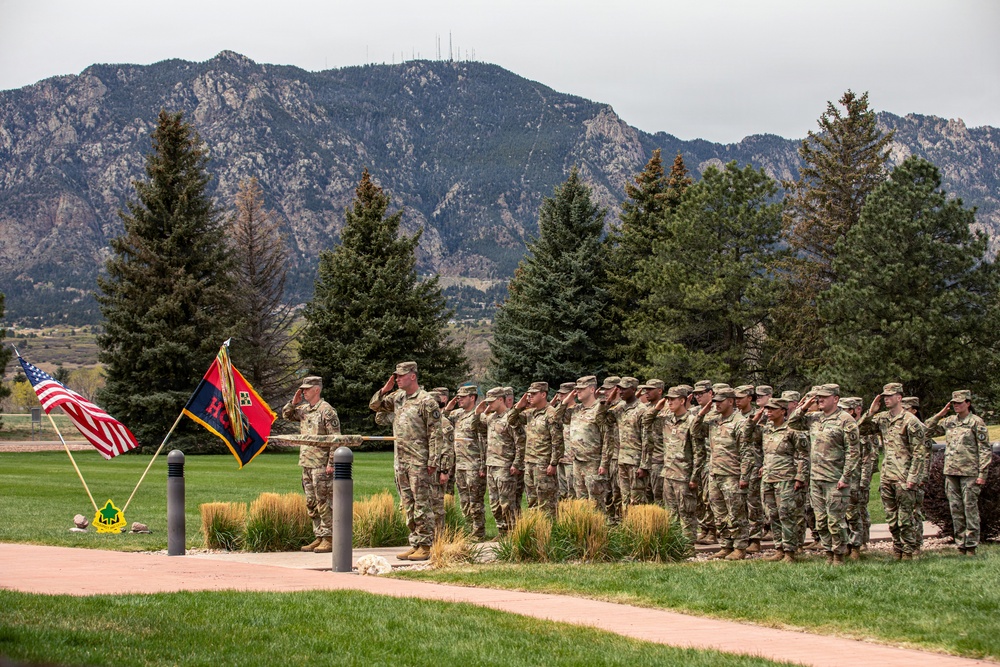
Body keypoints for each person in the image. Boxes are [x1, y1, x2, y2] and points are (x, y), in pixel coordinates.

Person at [369, 361, 445, 561]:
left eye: (401, 376)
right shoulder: (398, 397)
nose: (397, 379)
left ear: (413, 376)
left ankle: (427, 544)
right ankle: (415, 543)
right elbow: (374, 406)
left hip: (419, 460)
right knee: (407, 503)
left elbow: (436, 433)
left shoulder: (426, 401)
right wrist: (384, 389)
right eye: (396, 376)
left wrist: (433, 460)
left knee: (422, 503)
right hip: (400, 460)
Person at [788, 384, 861, 565]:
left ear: (835, 399)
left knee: (835, 521)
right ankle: (828, 553)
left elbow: (853, 452)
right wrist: (804, 407)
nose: (819, 400)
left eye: (824, 397)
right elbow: (792, 422)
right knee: (820, 521)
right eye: (818, 397)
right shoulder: (814, 418)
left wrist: (846, 477)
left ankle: (839, 555)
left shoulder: (846, 420)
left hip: (835, 480)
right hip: (816, 479)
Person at [858, 383, 926, 561]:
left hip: (904, 476)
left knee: (906, 517)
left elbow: (920, 453)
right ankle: (898, 549)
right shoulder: (882, 418)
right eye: (884, 396)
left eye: (890, 396)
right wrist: (871, 412)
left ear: (899, 398)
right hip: (887, 475)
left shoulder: (911, 421)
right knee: (892, 517)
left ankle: (909, 551)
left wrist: (913, 477)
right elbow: (859, 430)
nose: (886, 399)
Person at [925, 390, 992, 556]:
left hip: (970, 472)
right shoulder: (949, 421)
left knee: (970, 508)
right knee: (955, 509)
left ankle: (971, 545)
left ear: (968, 403)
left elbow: (984, 449)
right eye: (954, 403)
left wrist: (982, 473)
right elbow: (926, 429)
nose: (956, 405)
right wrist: (941, 413)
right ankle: (961, 544)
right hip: (951, 472)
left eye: (960, 402)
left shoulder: (976, 422)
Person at [693, 385, 753, 560]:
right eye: (715, 402)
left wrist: (744, 476)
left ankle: (740, 547)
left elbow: (746, 452)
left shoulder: (740, 422)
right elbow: (695, 431)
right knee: (719, 514)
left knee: (736, 513)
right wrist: (702, 412)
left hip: (732, 475)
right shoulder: (713, 421)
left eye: (720, 402)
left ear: (731, 401)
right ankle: (725, 545)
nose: (716, 405)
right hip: (715, 474)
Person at [282, 376, 341, 554]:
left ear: (317, 389)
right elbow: (287, 415)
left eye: (307, 389)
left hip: (321, 464)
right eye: (302, 389)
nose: (303, 391)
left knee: (324, 501)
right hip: (307, 462)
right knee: (311, 502)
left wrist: (332, 462)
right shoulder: (305, 410)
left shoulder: (327, 411)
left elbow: (335, 438)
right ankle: (319, 535)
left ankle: (329, 538)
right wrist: (293, 402)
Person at [754, 397, 808, 562]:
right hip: (769, 478)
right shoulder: (767, 429)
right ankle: (779, 549)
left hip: (786, 478)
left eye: (772, 409)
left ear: (783, 411)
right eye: (767, 409)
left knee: (786, 514)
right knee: (773, 515)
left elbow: (803, 455)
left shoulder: (792, 430)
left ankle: (790, 551)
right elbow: (749, 435)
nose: (768, 412)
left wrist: (800, 476)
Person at [646, 385, 698, 542]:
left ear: (683, 400)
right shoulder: (666, 420)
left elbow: (698, 452)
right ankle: (675, 545)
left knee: (686, 513)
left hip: (684, 475)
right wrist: (657, 407)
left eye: (672, 399)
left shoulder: (691, 421)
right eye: (667, 399)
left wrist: (694, 477)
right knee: (671, 513)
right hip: (668, 473)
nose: (669, 402)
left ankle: (688, 547)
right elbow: (646, 421)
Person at [510, 382, 566, 518]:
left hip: (543, 464)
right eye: (528, 395)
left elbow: (557, 441)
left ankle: (549, 532)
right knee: (532, 501)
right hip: (529, 462)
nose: (529, 397)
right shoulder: (530, 413)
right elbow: (511, 420)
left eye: (533, 394)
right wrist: (519, 406)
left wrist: (553, 463)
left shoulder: (551, 414)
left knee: (546, 502)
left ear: (543, 394)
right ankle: (537, 532)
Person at [479, 386, 525, 535]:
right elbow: (476, 425)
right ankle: (502, 532)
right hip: (491, 465)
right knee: (494, 504)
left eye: (492, 401)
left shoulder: (510, 419)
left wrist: (517, 463)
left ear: (501, 399)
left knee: (507, 504)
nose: (489, 405)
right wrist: (480, 411)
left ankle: (514, 533)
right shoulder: (491, 418)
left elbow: (521, 442)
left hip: (505, 466)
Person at [444, 385, 487, 540]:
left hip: (474, 465)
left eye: (463, 397)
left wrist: (483, 466)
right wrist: (449, 406)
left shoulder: (479, 416)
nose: (459, 399)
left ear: (472, 398)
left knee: (475, 501)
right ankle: (470, 529)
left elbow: (483, 441)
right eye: (458, 396)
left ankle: (479, 532)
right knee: (464, 501)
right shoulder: (457, 414)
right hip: (460, 465)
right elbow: (441, 418)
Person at [565, 376, 611, 510]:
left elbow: (607, 438)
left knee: (596, 503)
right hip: (577, 462)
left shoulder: (600, 409)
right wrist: (566, 402)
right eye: (576, 389)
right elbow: (557, 417)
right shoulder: (576, 410)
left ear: (592, 389)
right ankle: (585, 529)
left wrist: (604, 463)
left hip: (593, 463)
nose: (577, 392)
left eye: (581, 389)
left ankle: (598, 530)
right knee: (581, 503)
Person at [608, 377, 649, 507]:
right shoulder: (619, 408)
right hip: (622, 460)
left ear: (633, 389)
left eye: (624, 389)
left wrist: (644, 465)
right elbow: (603, 418)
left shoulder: (642, 410)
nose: (620, 392)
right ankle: (627, 525)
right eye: (619, 389)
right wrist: (609, 400)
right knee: (624, 498)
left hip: (636, 462)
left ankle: (638, 526)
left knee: (636, 499)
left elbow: (647, 440)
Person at [735, 385, 765, 553]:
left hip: (755, 463)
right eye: (736, 398)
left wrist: (764, 463)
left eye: (741, 397)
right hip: (737, 464)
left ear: (750, 398)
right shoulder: (734, 416)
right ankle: (742, 535)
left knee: (753, 502)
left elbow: (766, 441)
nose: (738, 400)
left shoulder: (760, 416)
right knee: (739, 504)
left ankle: (755, 538)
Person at [902, 396, 931, 555]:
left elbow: (924, 457)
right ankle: (908, 543)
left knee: (915, 511)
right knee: (906, 512)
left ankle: (917, 543)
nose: (904, 412)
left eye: (907, 409)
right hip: (904, 476)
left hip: (918, 477)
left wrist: (921, 477)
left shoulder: (920, 429)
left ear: (914, 410)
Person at [691, 380, 718, 544]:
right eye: (696, 394)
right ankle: (704, 529)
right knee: (699, 498)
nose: (698, 396)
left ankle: (713, 531)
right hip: (697, 459)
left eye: (702, 393)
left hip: (710, 459)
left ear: (711, 393)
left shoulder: (716, 412)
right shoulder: (694, 412)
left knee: (710, 498)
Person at [428, 388, 455, 534]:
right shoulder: (427, 422)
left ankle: (439, 538)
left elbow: (448, 449)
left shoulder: (444, 424)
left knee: (437, 506)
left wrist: (445, 471)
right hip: (426, 469)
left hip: (438, 471)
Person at [643, 380, 666, 504]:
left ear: (659, 391)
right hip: (645, 459)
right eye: (646, 389)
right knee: (646, 496)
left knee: (659, 497)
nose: (647, 392)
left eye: (650, 389)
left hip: (659, 459)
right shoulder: (644, 408)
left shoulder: (667, 409)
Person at [554, 382, 577, 500]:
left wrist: (564, 403)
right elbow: (554, 418)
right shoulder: (560, 410)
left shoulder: (577, 409)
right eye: (560, 394)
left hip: (572, 457)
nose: (560, 397)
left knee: (572, 490)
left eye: (564, 394)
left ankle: (574, 515)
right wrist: (562, 404)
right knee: (562, 492)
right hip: (561, 456)